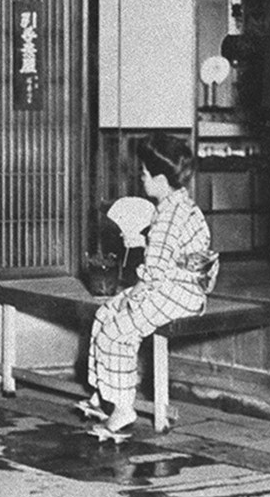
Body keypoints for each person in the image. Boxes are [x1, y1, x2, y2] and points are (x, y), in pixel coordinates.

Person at [79, 133, 217, 435]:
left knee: (117, 331)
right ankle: (104, 394)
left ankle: (123, 407)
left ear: (160, 179)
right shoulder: (179, 205)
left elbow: (154, 270)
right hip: (171, 286)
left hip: (178, 292)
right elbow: (167, 254)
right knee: (104, 313)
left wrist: (134, 295)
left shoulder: (168, 215)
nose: (141, 179)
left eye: (144, 174)